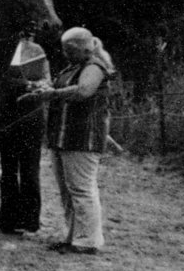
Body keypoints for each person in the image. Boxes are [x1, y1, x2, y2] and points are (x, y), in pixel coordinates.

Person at [22, 27, 115, 255]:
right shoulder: (74, 66)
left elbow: (83, 91)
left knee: (82, 190)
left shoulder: (94, 67)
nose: (65, 54)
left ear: (82, 49)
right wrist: (41, 88)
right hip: (63, 138)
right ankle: (74, 236)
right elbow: (60, 88)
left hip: (82, 138)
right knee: (69, 191)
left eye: (69, 50)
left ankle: (88, 241)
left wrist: (50, 94)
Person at [0, 36, 51, 235]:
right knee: (8, 169)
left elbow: (46, 81)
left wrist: (33, 85)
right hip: (7, 113)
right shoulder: (1, 48)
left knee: (29, 167)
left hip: (31, 114)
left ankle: (30, 220)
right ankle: (7, 220)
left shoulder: (37, 50)